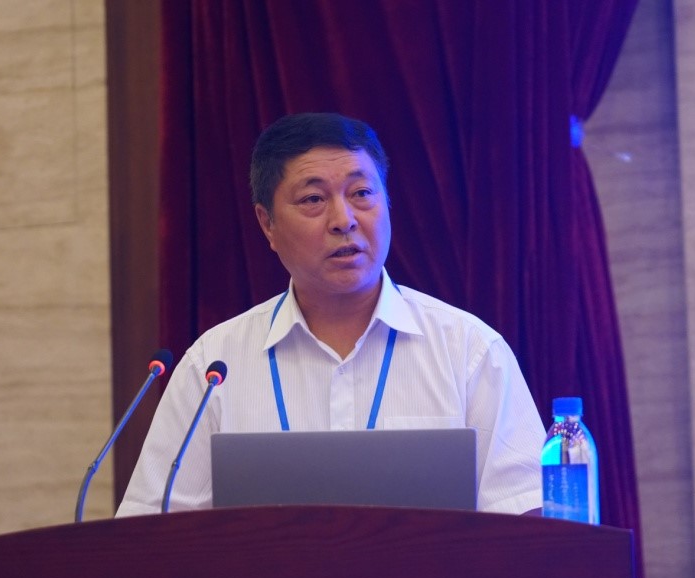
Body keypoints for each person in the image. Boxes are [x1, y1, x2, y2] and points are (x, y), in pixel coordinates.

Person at [116, 113, 544, 516]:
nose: (344, 220)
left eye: (361, 194)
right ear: (267, 224)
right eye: (313, 199)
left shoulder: (469, 350)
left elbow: (529, 516)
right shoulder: (213, 366)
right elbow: (151, 532)